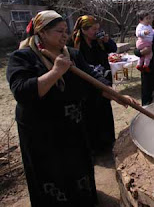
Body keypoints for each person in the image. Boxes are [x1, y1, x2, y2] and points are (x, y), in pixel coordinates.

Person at [7, 10, 135, 206]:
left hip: (72, 125)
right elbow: (22, 91)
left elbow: (94, 80)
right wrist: (57, 71)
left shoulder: (72, 54)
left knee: (78, 168)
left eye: (65, 31)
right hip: (41, 132)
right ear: (42, 32)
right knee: (51, 174)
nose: (65, 35)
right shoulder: (22, 57)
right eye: (59, 31)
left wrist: (116, 96)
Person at [68, 15, 117, 154]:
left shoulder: (99, 41)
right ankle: (94, 148)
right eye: (93, 29)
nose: (96, 31)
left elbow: (113, 49)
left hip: (103, 80)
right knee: (90, 114)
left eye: (98, 28)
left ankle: (108, 143)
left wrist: (107, 41)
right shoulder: (74, 43)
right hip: (86, 85)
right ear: (84, 30)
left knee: (105, 112)